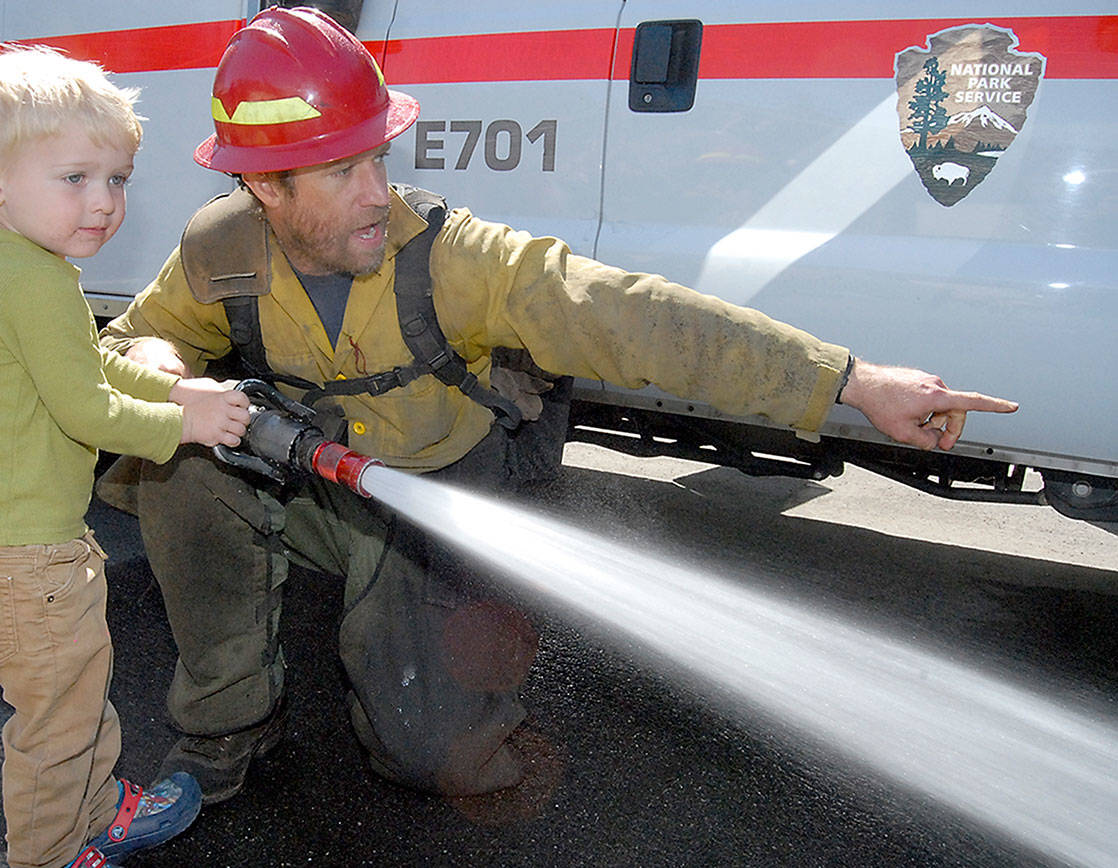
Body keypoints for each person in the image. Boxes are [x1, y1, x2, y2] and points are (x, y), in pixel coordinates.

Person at [97, 7, 1018, 807]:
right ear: (265, 186)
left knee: (433, 756)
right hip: (311, 493)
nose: (376, 191)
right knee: (175, 459)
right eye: (339, 171)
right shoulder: (220, 251)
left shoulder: (454, 261)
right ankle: (228, 724)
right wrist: (178, 378)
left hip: (417, 507)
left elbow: (636, 318)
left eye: (377, 157)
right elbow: (125, 344)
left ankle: (432, 649)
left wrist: (851, 382)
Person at [0, 46, 253, 868]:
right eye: (75, 179)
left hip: (9, 548)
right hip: (19, 560)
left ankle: (100, 809)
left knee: (75, 695)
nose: (103, 203)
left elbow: (86, 362)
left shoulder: (16, 263)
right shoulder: (31, 279)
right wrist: (189, 426)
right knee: (55, 725)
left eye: (117, 179)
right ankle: (52, 852)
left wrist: (172, 387)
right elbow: (84, 407)